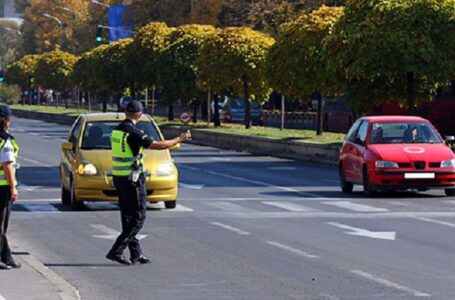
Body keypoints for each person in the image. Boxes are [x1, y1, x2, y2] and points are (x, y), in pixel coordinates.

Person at [106, 101, 191, 266]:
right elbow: (157, 145)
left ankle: (136, 253)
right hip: (132, 179)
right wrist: (179, 138)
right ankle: (116, 250)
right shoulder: (133, 132)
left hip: (119, 177)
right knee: (139, 216)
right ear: (139, 115)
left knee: (128, 216)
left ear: (125, 112)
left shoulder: (117, 130)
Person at [0, 105, 21, 270]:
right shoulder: (4, 140)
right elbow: (7, 166)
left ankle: (6, 257)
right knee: (1, 224)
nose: (10, 120)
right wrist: (13, 187)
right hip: (2, 188)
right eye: (9, 118)